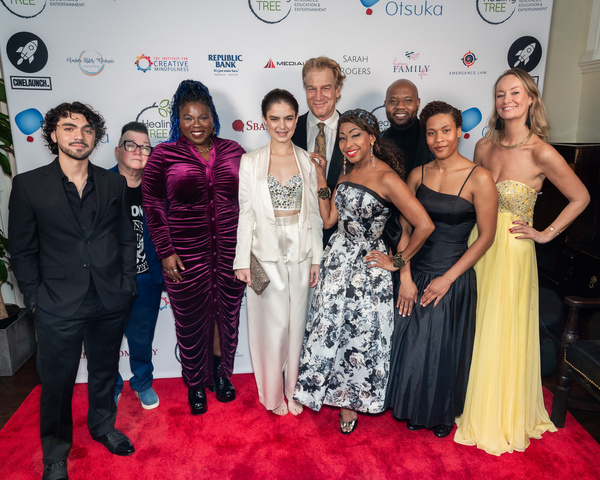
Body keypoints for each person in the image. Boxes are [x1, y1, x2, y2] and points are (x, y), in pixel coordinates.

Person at [454, 68, 590, 455]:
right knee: (475, 322)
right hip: (477, 243)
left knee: (501, 328)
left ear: (530, 99)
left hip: (512, 252)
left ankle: (496, 411)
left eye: (515, 92)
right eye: (500, 93)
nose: (506, 99)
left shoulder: (541, 151)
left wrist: (545, 233)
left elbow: (580, 197)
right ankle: (465, 398)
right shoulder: (483, 146)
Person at [8, 102, 137, 480]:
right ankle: (55, 454)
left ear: (96, 137)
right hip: (56, 303)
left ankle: (102, 427)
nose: (78, 135)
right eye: (68, 127)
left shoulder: (114, 182)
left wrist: (127, 284)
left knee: (104, 371)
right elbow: (22, 249)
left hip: (110, 296)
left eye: (86, 129)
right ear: (53, 135)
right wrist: (35, 299)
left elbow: (126, 238)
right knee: (58, 382)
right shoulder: (29, 185)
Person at [294, 109, 434, 434]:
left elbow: (425, 224)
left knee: (361, 335)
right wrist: (319, 179)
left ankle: (350, 403)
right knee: (330, 329)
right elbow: (330, 221)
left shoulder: (387, 177)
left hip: (368, 270)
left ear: (372, 137)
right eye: (342, 137)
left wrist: (397, 262)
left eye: (354, 135)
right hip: (337, 261)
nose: (347, 143)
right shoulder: (345, 172)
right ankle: (328, 390)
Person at [384, 101, 497, 438]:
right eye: (431, 132)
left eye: (445, 131)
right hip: (415, 269)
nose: (438, 139)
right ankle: (411, 407)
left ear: (458, 131)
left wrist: (448, 280)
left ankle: (439, 411)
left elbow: (486, 238)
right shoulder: (417, 174)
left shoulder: (480, 177)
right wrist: (404, 274)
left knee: (440, 348)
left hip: (453, 275)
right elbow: (403, 227)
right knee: (410, 342)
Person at [142, 80, 246, 415]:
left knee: (225, 318)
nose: (196, 124)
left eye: (203, 117)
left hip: (230, 252)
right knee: (190, 323)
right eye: (188, 118)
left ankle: (220, 374)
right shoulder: (164, 155)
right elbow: (153, 204)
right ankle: (194, 382)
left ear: (214, 118)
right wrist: (165, 250)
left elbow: (250, 201)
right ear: (178, 120)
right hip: (184, 256)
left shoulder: (234, 151)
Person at [233, 89, 323, 416]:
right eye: (275, 119)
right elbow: (245, 213)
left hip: (300, 253)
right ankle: (272, 395)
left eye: (288, 118)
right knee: (269, 329)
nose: (281, 126)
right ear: (264, 121)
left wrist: (316, 258)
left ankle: (293, 391)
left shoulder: (307, 160)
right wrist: (241, 261)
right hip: (262, 256)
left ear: (296, 119)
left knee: (297, 326)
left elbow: (313, 214)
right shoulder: (250, 162)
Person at [111, 122, 163, 410]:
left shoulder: (156, 189)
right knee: (106, 340)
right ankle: (111, 385)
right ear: (118, 150)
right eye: (131, 145)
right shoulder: (100, 185)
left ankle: (142, 382)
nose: (138, 151)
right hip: (110, 281)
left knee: (142, 338)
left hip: (146, 279)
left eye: (145, 146)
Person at [291, 56, 346, 246]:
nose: (318, 96)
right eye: (311, 88)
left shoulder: (356, 134)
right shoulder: (289, 131)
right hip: (298, 242)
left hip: (341, 242)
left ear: (338, 90)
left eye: (326, 88)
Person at [381, 79, 432, 174]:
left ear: (418, 103)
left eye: (407, 101)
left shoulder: (433, 140)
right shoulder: (376, 143)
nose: (400, 106)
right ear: (385, 104)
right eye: (393, 101)